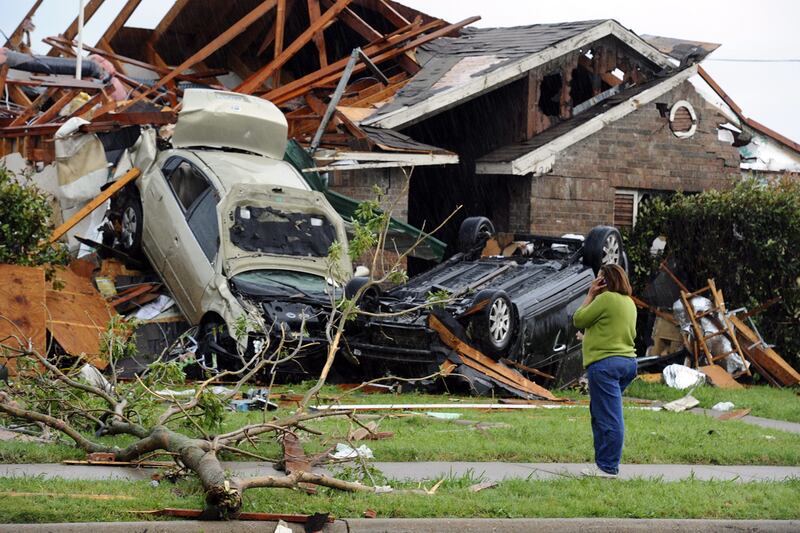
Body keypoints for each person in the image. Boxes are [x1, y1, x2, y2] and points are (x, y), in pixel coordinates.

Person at [573, 263, 637, 478]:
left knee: (608, 417)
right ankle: (602, 463)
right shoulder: (629, 303)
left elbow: (579, 319)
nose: (596, 282)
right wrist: (589, 337)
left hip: (605, 365)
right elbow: (617, 332)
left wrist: (590, 294)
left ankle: (607, 467)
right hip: (627, 363)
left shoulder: (606, 299)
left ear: (604, 281)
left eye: (599, 278)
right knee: (603, 413)